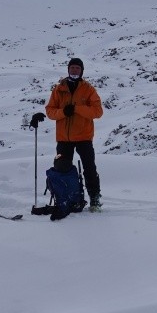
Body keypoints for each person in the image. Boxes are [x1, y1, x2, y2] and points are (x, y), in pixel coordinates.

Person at [45, 57, 104, 210]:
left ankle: (94, 198)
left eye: (77, 68)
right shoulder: (59, 89)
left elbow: (98, 112)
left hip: (84, 137)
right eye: (72, 68)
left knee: (89, 168)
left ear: (82, 70)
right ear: (68, 69)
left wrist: (77, 109)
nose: (74, 70)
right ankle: (65, 198)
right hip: (64, 139)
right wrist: (64, 112)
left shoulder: (89, 89)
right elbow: (50, 111)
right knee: (61, 167)